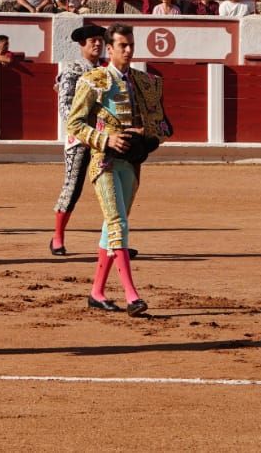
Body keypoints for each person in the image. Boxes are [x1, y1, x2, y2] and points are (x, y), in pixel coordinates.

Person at [67, 25, 171, 317]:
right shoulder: (93, 80)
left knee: (112, 226)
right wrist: (106, 139)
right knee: (118, 223)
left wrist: (148, 137)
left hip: (132, 163)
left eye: (131, 45)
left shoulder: (144, 81)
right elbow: (74, 124)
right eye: (122, 45)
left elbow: (161, 125)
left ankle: (97, 292)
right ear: (109, 49)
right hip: (105, 161)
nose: (128, 50)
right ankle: (131, 295)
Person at [49, 24, 106, 257]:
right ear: (81, 45)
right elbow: (65, 107)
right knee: (72, 187)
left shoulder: (107, 70)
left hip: (105, 139)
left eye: (100, 40)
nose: (97, 43)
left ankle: (113, 242)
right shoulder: (72, 70)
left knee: (110, 189)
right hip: (80, 138)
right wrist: (82, 131)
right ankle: (57, 237)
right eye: (92, 40)